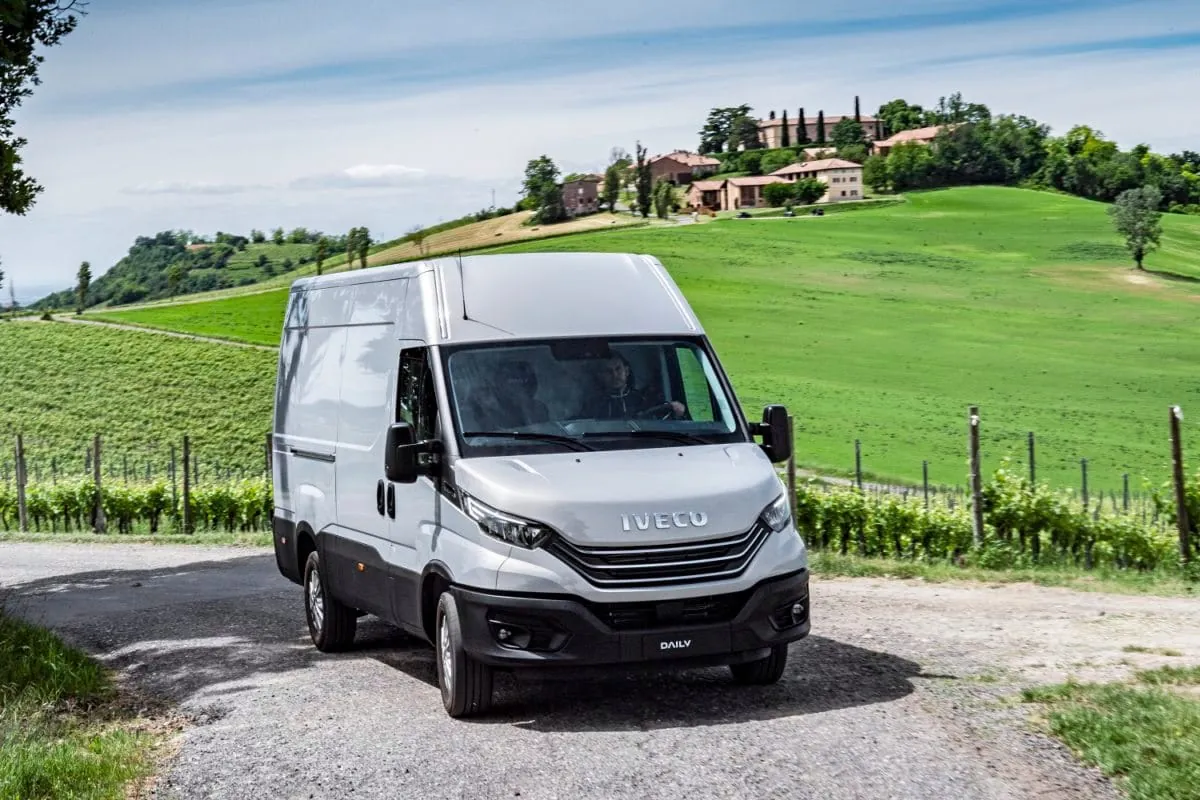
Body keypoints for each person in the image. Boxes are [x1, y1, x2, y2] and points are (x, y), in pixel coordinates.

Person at [577, 353, 686, 420]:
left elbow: (664, 418)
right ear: (600, 376)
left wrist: (677, 409)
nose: (615, 375)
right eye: (608, 371)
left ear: (627, 371)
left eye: (618, 369)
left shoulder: (645, 399)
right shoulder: (593, 404)